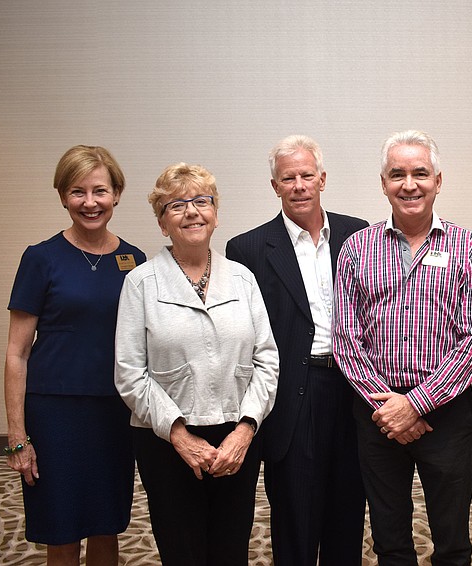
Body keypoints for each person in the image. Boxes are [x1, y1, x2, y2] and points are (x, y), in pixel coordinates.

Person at [333, 130, 472, 565]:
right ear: (383, 183)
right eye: (397, 174)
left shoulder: (469, 248)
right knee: (389, 538)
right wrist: (391, 408)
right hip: (377, 415)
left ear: (438, 181)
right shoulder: (356, 249)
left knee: (453, 538)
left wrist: (417, 405)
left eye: (420, 173)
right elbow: (346, 340)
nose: (410, 184)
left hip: (445, 414)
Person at [115, 163, 279, 565]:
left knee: (231, 548)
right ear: (161, 222)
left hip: (236, 438)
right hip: (166, 440)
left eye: (201, 201)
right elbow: (130, 373)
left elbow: (267, 360)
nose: (192, 211)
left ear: (216, 214)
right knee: (182, 550)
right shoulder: (141, 282)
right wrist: (179, 436)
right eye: (176, 205)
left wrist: (245, 431)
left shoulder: (243, 279)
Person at [226, 135, 368, 565]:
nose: (299, 185)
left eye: (307, 175)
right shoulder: (247, 249)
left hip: (354, 389)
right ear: (275, 187)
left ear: (322, 179)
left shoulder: (358, 234)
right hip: (292, 395)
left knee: (348, 514)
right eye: (288, 178)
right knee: (296, 521)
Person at [3, 145, 146, 566]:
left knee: (107, 524)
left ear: (117, 194)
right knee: (61, 530)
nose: (90, 202)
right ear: (63, 196)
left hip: (114, 414)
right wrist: (17, 437)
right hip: (54, 415)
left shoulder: (133, 261)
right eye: (77, 192)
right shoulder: (41, 258)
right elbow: (16, 353)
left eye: (100, 190)